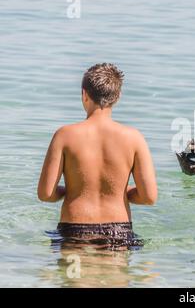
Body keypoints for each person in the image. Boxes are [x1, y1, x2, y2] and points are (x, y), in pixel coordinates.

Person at [38, 63, 158, 247]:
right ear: (117, 97)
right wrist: (119, 192)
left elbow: (46, 194)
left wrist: (71, 190)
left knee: (73, 276)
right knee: (115, 276)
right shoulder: (134, 138)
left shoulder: (64, 135)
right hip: (118, 232)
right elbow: (149, 197)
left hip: (74, 231)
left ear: (84, 94)